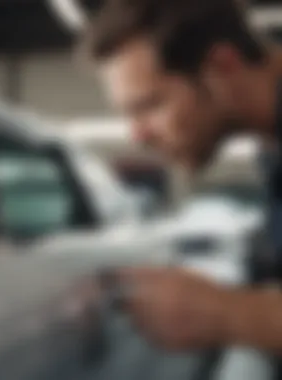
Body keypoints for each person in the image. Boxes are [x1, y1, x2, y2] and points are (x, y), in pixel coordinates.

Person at [80, 0, 282, 354]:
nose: (137, 135)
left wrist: (224, 313)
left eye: (150, 105)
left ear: (223, 67)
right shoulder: (271, 143)